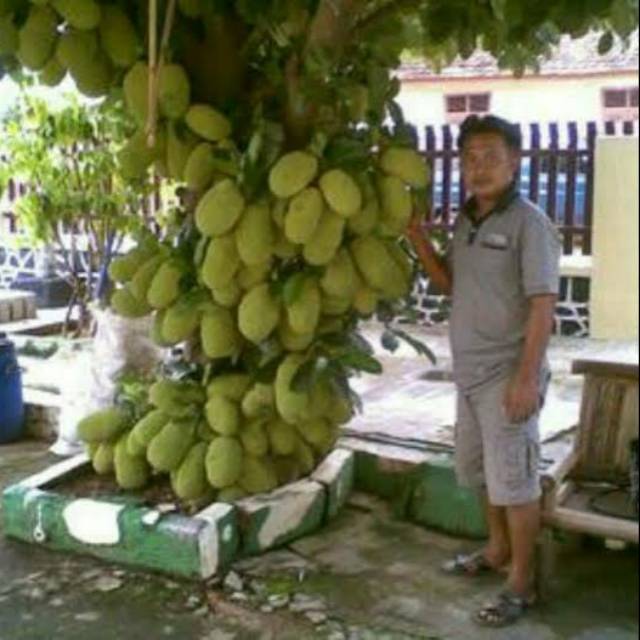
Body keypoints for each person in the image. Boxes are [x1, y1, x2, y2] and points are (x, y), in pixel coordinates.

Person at [407, 115, 561, 628]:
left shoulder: (529, 224)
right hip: (469, 372)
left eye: (492, 155)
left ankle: (522, 581)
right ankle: (495, 550)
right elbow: (454, 285)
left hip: (507, 372)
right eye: (471, 157)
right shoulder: (466, 220)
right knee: (478, 473)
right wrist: (417, 238)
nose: (480, 167)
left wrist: (525, 380)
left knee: (515, 480)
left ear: (514, 162)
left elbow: (543, 307)